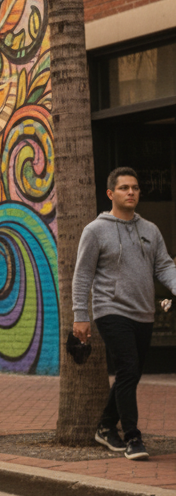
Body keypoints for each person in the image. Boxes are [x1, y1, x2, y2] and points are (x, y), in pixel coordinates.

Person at [72, 167, 176, 461]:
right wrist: (81, 315)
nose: (131, 192)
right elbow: (82, 276)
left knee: (131, 373)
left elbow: (164, 267)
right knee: (128, 368)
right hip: (111, 309)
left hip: (143, 312)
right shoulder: (95, 230)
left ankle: (105, 427)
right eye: (124, 188)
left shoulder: (150, 230)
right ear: (111, 194)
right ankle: (132, 436)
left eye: (135, 188)